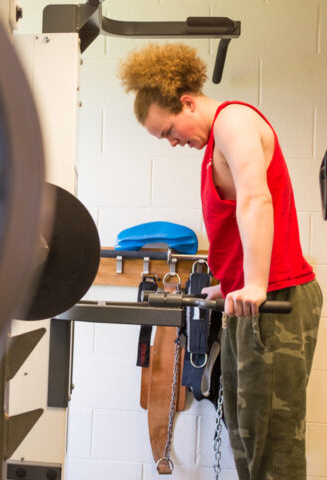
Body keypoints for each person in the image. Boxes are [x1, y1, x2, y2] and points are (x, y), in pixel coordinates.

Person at [117, 42, 322, 479]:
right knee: (246, 434)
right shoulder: (214, 144)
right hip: (252, 301)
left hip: (277, 300)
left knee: (273, 445)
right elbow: (237, 229)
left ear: (187, 102)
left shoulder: (235, 121)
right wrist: (231, 283)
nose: (173, 142)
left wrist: (257, 283)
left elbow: (255, 199)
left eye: (169, 129)